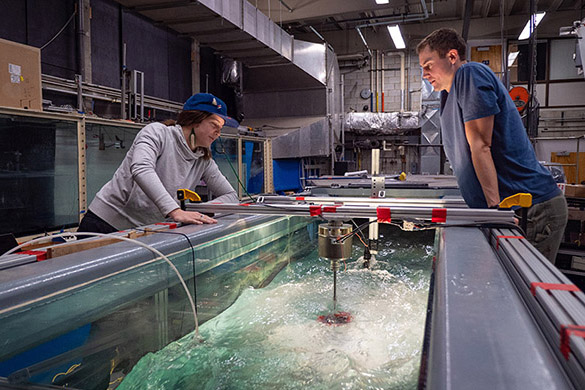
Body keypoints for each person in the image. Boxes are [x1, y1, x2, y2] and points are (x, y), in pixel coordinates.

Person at [417, 28, 567, 263]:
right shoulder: (448, 94)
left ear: (452, 57)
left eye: (428, 65)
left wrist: (493, 211)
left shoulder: (469, 74)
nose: (425, 74)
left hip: (532, 208)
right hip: (510, 209)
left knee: (523, 292)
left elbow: (481, 145)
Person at [78, 92, 239, 233]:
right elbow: (141, 169)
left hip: (147, 230)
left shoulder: (203, 159)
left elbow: (231, 196)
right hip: (105, 223)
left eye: (220, 128)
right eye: (214, 125)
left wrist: (202, 212)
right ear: (195, 120)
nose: (218, 133)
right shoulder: (157, 133)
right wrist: (175, 211)